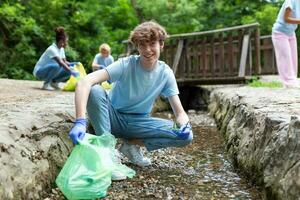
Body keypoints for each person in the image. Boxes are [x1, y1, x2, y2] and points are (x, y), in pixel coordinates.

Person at [69, 21, 193, 180]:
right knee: (95, 89)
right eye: (142, 45)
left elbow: (180, 113)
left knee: (185, 136)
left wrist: (185, 125)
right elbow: (84, 82)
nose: (147, 50)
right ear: (137, 46)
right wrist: (80, 121)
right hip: (111, 117)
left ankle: (131, 145)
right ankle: (107, 155)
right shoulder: (126, 64)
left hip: (138, 123)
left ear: (161, 44)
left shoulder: (165, 73)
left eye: (152, 44)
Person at [272, 0, 300, 88]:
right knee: (285, 57)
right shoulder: (291, 1)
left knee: (293, 59)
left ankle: (292, 81)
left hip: (291, 32)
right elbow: (286, 18)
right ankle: (288, 83)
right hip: (280, 32)